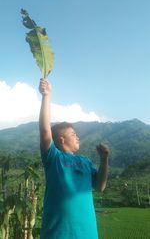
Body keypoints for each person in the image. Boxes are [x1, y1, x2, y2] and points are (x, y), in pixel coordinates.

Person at [39, 78, 109, 239]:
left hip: (88, 233)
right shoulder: (54, 158)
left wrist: (104, 160)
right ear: (61, 140)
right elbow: (45, 132)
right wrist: (47, 96)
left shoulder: (85, 161)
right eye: (73, 134)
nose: (77, 137)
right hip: (58, 234)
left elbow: (100, 186)